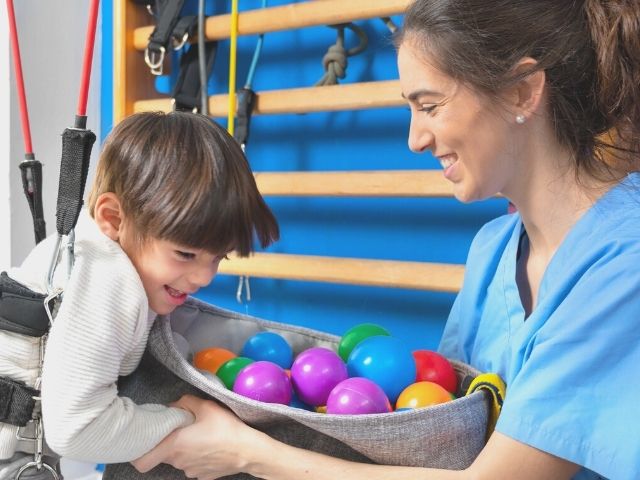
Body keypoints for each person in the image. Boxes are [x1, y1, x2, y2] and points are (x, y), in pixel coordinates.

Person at [131, 0, 640, 479]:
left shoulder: (625, 262)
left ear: (521, 92)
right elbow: (445, 434)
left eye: (431, 106)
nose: (415, 139)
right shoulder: (494, 249)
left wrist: (245, 451)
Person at [0, 111, 279, 477]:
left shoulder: (79, 246)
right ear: (114, 218)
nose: (205, 277)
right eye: (186, 254)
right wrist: (184, 421)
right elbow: (77, 429)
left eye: (219, 256)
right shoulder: (107, 280)